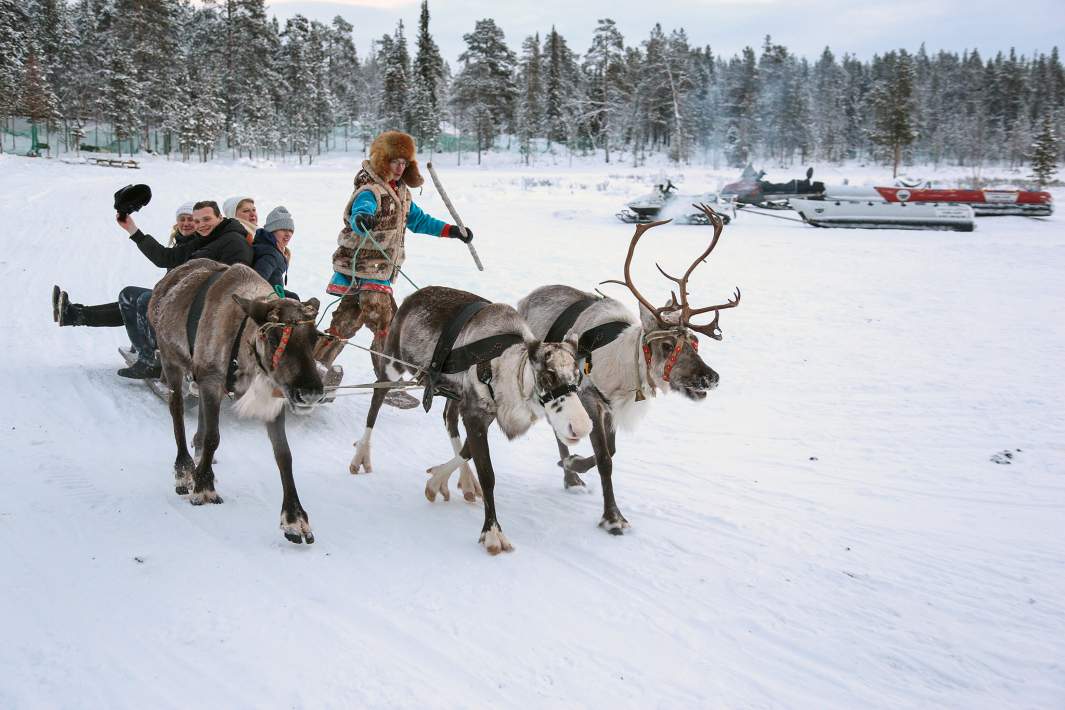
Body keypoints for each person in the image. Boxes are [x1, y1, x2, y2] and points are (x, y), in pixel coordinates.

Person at [317, 130, 473, 369]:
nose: (400, 167)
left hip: (373, 273)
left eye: (404, 162)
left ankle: (315, 366)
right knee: (388, 326)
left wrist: (451, 230)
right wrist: (362, 220)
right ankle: (387, 379)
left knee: (346, 323)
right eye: (394, 161)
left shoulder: (401, 193)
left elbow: (420, 221)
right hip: (369, 269)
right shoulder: (370, 189)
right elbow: (362, 209)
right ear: (382, 160)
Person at [114, 200, 254, 378]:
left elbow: (231, 284)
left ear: (220, 217)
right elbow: (166, 257)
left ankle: (157, 360)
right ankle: (147, 357)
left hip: (203, 308)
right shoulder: (206, 238)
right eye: (197, 221)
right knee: (128, 295)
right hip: (185, 296)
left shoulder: (233, 241)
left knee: (145, 301)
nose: (201, 225)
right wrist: (133, 231)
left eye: (206, 219)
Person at [53, 200, 198, 332]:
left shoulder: (196, 243)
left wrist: (134, 231)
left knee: (133, 302)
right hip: (174, 296)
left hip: (183, 304)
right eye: (182, 219)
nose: (186, 223)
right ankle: (75, 313)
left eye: (190, 219)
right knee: (129, 301)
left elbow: (162, 257)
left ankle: (75, 315)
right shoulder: (183, 241)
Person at [253, 206, 297, 299]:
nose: (288, 234)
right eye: (283, 230)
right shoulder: (270, 254)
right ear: (272, 231)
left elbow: (272, 285)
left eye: (290, 230)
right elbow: (256, 284)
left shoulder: (273, 250)